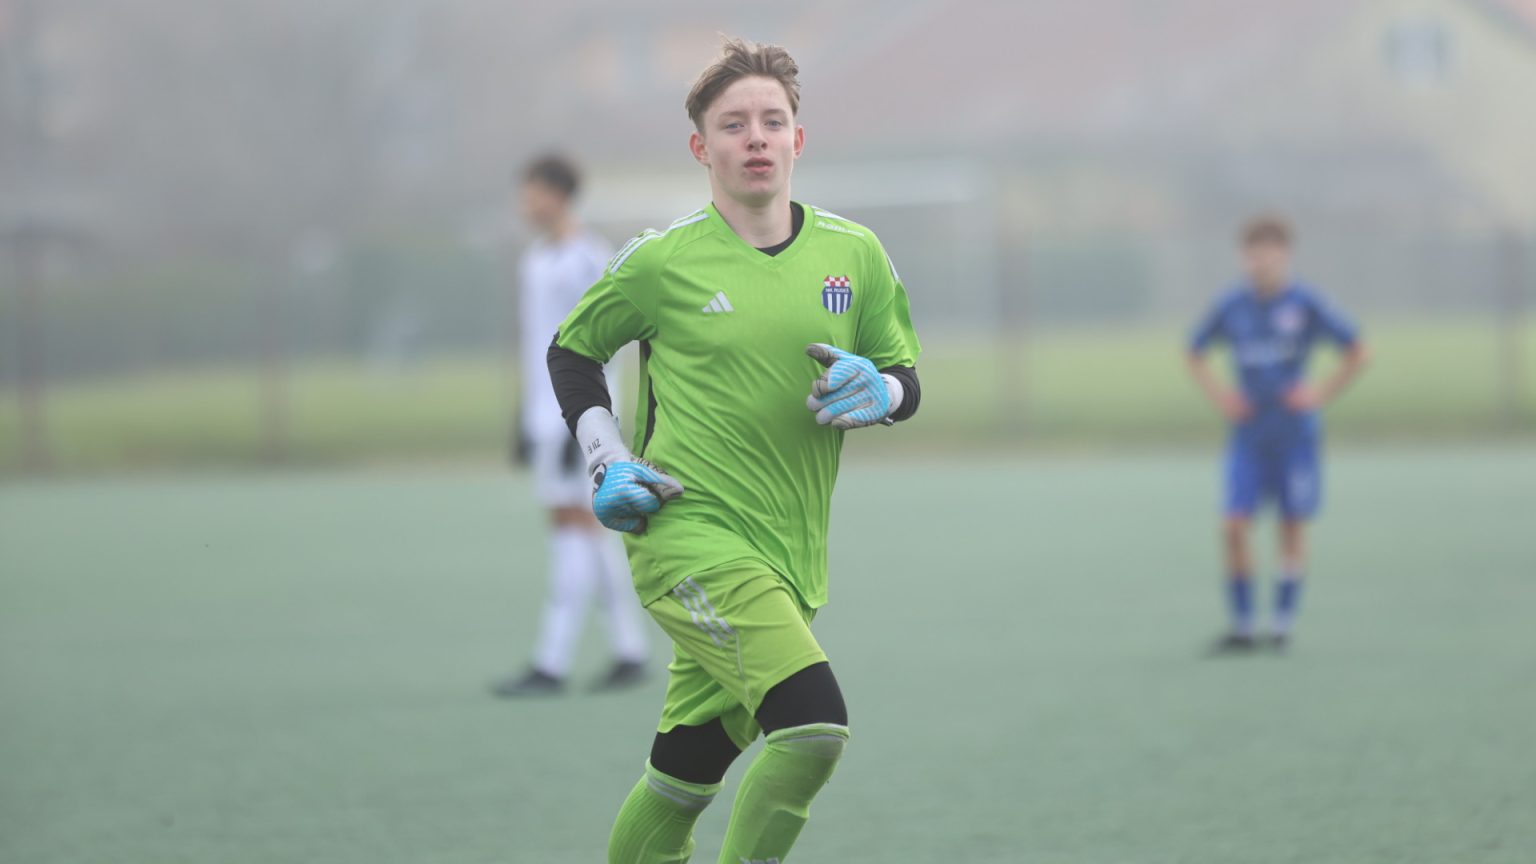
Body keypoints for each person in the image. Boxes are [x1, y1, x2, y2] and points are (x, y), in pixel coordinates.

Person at [546, 38, 922, 863]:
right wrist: (607, 460)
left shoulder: (855, 254)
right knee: (814, 728)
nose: (756, 137)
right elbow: (572, 352)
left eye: (772, 121)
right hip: (685, 534)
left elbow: (903, 375)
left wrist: (885, 393)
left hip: (790, 554)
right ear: (701, 147)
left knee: (682, 777)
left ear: (798, 139)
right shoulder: (661, 262)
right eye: (733, 124)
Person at [493, 155, 650, 697]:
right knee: (584, 530)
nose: (525, 204)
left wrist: (581, 421)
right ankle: (630, 650)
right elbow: (537, 344)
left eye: (532, 192)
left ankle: (551, 662)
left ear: (558, 195)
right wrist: (527, 416)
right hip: (544, 419)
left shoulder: (589, 258)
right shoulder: (535, 259)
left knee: (571, 528)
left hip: (578, 422)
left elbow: (602, 347)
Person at [1187, 215, 1368, 652]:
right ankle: (1244, 625)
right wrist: (1223, 397)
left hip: (1294, 437)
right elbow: (1194, 351)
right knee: (1233, 525)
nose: (1259, 262)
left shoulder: (1306, 303)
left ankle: (1282, 622)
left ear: (1285, 255)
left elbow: (1358, 350)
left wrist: (1319, 392)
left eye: (1267, 253)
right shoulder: (1231, 305)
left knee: (1291, 525)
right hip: (1249, 437)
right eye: (1251, 254)